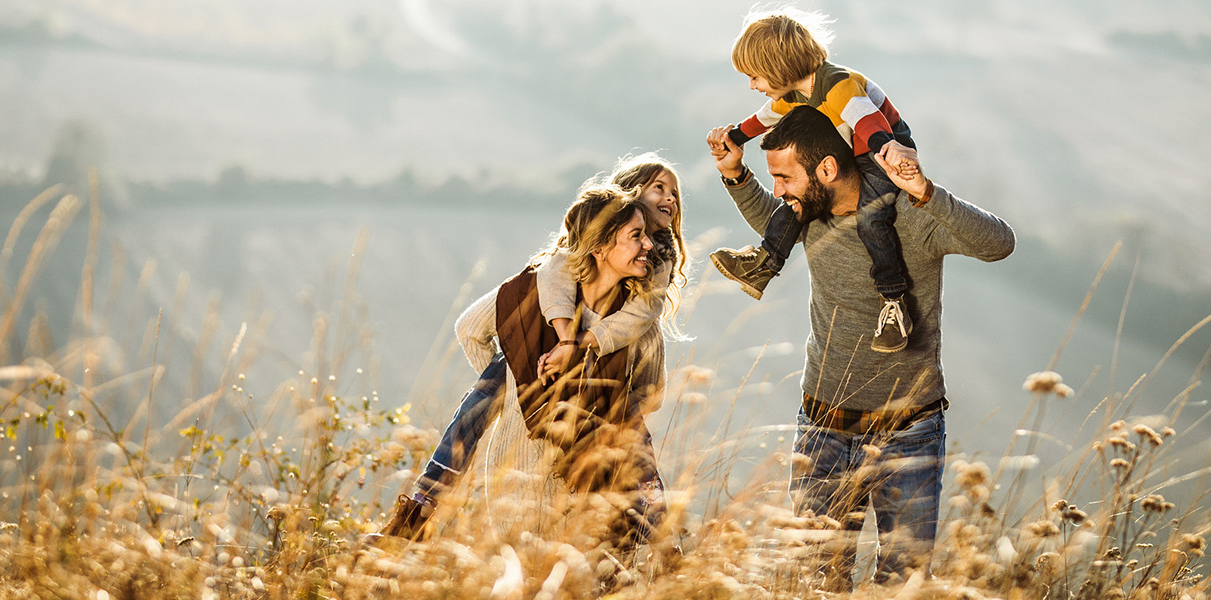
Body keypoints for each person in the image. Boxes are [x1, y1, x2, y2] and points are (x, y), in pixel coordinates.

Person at [707, 105, 1013, 589]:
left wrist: (925, 192)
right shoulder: (810, 217)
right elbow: (770, 218)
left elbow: (999, 243)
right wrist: (735, 174)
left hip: (908, 432)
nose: (780, 191)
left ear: (827, 169)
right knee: (813, 581)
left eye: (785, 178)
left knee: (903, 585)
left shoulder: (912, 220)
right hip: (823, 426)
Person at [371, 157, 688, 549]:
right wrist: (523, 382)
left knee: (635, 458)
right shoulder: (548, 278)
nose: (670, 199)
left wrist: (579, 351)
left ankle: (665, 549)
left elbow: (645, 327)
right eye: (659, 188)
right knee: (480, 408)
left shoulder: (650, 277)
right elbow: (543, 277)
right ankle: (424, 502)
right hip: (535, 427)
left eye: (674, 192)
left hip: (580, 448)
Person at [706, 8, 922, 353]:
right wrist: (733, 137)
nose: (752, 85)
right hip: (847, 150)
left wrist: (892, 152)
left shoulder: (838, 86)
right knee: (799, 198)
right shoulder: (793, 94)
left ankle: (894, 302)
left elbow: (868, 123)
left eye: (755, 76)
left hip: (882, 151)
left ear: (779, 67)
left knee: (872, 218)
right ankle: (765, 263)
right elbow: (761, 120)